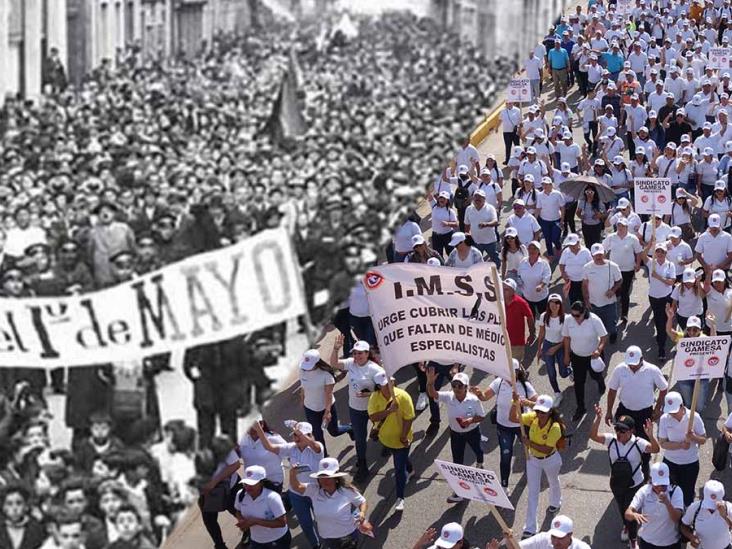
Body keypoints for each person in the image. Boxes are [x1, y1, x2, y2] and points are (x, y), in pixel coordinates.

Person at [589, 405, 660, 547]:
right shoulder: (611, 440)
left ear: (631, 431)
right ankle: (627, 525)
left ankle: (633, 539)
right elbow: (593, 436)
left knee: (630, 509)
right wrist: (598, 419)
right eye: (617, 429)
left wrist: (651, 435)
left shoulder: (639, 443)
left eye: (622, 430)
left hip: (635, 485)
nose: (618, 433)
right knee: (622, 508)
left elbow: (655, 449)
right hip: (617, 483)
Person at [252, 421, 323, 549]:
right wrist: (258, 430)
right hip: (297, 495)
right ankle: (316, 545)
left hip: (315, 492)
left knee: (322, 520)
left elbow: (314, 446)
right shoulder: (291, 448)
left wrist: (302, 434)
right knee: (306, 524)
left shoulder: (317, 448)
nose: (295, 439)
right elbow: (270, 448)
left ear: (309, 435)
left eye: (298, 436)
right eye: (294, 435)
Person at [605, 346, 668, 481]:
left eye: (634, 364)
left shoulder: (652, 370)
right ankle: (622, 468)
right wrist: (609, 411)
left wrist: (657, 409)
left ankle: (644, 469)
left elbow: (664, 388)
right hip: (625, 411)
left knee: (644, 444)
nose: (632, 367)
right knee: (621, 440)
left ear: (641, 359)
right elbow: (612, 390)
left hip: (644, 413)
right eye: (630, 364)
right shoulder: (620, 369)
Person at [472, 359, 537, 487]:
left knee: (530, 451)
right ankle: (504, 485)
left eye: (513, 371)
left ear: (518, 372)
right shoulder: (498, 382)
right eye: (507, 371)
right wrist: (479, 394)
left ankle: (533, 473)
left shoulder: (525, 386)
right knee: (505, 456)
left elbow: (539, 404)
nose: (509, 374)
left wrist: (526, 403)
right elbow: (485, 397)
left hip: (521, 426)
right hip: (503, 427)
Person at [330, 337, 384, 482]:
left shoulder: (375, 369)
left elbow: (388, 390)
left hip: (374, 408)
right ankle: (363, 464)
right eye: (355, 353)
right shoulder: (351, 364)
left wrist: (371, 394)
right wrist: (336, 349)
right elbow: (334, 364)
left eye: (360, 353)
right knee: (360, 439)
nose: (357, 356)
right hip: (355, 409)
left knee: (382, 430)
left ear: (367, 353)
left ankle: (386, 445)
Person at [509, 394, 564, 539]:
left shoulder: (555, 427)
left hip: (550, 459)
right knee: (533, 492)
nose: (540, 414)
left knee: (553, 481)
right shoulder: (533, 417)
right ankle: (530, 527)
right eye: (538, 411)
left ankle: (556, 502)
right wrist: (515, 404)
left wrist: (529, 444)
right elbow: (514, 418)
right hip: (533, 460)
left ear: (550, 411)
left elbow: (546, 449)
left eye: (543, 412)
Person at [426, 370, 485, 502]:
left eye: (460, 386)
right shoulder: (449, 396)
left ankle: (480, 462)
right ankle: (460, 492)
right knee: (458, 462)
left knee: (478, 451)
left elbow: (481, 416)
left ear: (466, 387)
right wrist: (430, 383)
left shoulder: (474, 400)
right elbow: (433, 394)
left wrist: (470, 421)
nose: (456, 389)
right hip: (456, 434)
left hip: (472, 432)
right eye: (454, 385)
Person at [288, 458, 372, 549]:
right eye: (321, 478)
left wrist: (362, 513)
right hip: (326, 538)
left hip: (347, 537)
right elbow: (296, 487)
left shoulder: (347, 491)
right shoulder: (314, 490)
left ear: (336, 478)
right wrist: (292, 474)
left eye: (328, 477)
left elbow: (362, 502)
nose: (324, 481)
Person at [367, 371, 415, 512]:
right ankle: (411, 470)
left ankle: (400, 498)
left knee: (399, 469)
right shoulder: (374, 398)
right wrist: (389, 411)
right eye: (385, 384)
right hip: (385, 439)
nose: (389, 386)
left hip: (402, 441)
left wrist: (404, 436)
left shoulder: (403, 396)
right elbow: (373, 417)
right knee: (402, 460)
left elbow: (409, 418)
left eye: (391, 382)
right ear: (378, 386)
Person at [657, 391, 707, 509]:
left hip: (690, 463)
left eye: (674, 411)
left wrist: (694, 437)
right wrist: (680, 445)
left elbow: (703, 439)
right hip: (670, 462)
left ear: (682, 406)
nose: (672, 414)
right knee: (670, 492)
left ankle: (686, 516)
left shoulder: (694, 417)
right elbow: (663, 443)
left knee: (687, 493)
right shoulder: (665, 419)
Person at [297, 349, 352, 454]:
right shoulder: (302, 370)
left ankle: (350, 428)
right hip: (310, 409)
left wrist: (327, 412)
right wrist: (302, 399)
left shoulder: (326, 375)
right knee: (318, 436)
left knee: (334, 432)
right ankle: (323, 458)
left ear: (317, 362)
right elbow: (303, 387)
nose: (306, 368)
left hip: (326, 408)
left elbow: (328, 394)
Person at [562, 300, 608, 421]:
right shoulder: (568, 320)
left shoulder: (594, 320)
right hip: (577, 357)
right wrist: (566, 355)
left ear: (584, 313)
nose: (575, 317)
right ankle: (581, 407)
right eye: (573, 314)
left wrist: (599, 350)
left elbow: (603, 337)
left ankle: (601, 382)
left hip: (593, 356)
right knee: (579, 383)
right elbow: (566, 338)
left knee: (595, 375)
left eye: (577, 315)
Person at [625, 462, 685, 549]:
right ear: (651, 480)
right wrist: (634, 515)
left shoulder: (676, 491)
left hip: (670, 543)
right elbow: (627, 514)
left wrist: (667, 503)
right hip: (647, 542)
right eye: (657, 485)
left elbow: (676, 518)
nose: (660, 487)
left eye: (663, 485)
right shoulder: (644, 491)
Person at [197, 435, 241, 549]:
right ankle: (220, 545)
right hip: (207, 492)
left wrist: (214, 482)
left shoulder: (220, 442)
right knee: (210, 520)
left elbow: (235, 464)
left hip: (230, 488)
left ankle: (250, 534)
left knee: (240, 514)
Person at [233, 465, 290, 549]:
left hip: (277, 541)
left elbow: (282, 523)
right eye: (246, 483)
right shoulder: (240, 495)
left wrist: (255, 521)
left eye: (252, 484)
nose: (248, 487)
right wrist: (241, 520)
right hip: (256, 541)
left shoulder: (272, 497)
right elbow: (237, 511)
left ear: (261, 482)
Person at [602, 218, 643, 323]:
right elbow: (603, 249)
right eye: (619, 225)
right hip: (614, 269)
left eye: (623, 226)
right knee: (615, 291)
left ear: (626, 227)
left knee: (625, 292)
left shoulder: (632, 238)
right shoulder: (611, 237)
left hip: (628, 269)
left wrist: (638, 264)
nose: (621, 228)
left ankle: (624, 314)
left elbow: (638, 252)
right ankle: (613, 314)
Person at [582, 243, 623, 343]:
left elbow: (620, 280)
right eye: (596, 254)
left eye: (600, 254)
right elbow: (584, 285)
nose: (598, 257)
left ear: (604, 253)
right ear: (591, 255)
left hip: (609, 303)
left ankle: (613, 335)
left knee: (611, 325)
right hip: (594, 303)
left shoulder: (613, 266)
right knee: (596, 325)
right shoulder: (587, 267)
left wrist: (613, 290)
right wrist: (586, 300)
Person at [644, 242, 677, 361]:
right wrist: (650, 244)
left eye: (662, 252)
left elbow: (671, 282)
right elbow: (643, 255)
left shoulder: (670, 265)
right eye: (658, 251)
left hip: (666, 297)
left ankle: (662, 345)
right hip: (653, 297)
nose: (660, 254)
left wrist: (658, 277)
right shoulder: (651, 263)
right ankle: (661, 341)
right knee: (659, 320)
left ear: (666, 253)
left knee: (665, 319)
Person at [536, 295, 571, 403]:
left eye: (557, 302)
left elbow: (567, 338)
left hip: (560, 345)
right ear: (548, 303)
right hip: (547, 345)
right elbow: (541, 334)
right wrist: (539, 349)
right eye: (552, 302)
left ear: (560, 305)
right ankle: (557, 393)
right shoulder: (544, 316)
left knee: (563, 374)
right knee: (551, 373)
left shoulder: (566, 318)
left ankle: (570, 371)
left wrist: (557, 348)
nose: (554, 305)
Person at [680, 480, 732, 549]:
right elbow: (683, 526)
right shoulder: (694, 508)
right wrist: (691, 537)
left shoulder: (728, 507)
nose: (711, 509)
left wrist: (725, 516)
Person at [487, 515, 590, 549]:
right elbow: (516, 548)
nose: (556, 542)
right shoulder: (543, 538)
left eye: (561, 538)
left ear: (570, 535)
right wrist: (509, 538)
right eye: (554, 537)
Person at [503, 279, 536, 362]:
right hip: (501, 341)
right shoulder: (499, 303)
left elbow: (530, 317)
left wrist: (532, 333)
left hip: (516, 342)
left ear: (513, 291)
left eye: (506, 289)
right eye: (502, 288)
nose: (503, 291)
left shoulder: (521, 303)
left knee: (515, 365)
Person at [464, 190, 500, 265]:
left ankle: (497, 273)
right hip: (476, 241)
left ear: (484, 199)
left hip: (490, 241)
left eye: (480, 197)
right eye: (475, 196)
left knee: (495, 260)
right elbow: (467, 224)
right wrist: (467, 235)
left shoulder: (490, 208)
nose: (477, 199)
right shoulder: (469, 209)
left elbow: (495, 222)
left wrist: (486, 224)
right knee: (476, 262)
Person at [518, 241, 552, 318]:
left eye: (534, 249)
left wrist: (541, 285)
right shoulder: (523, 262)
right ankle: (532, 329)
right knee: (530, 316)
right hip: (527, 296)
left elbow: (547, 276)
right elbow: (519, 275)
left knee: (544, 316)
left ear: (538, 251)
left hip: (541, 297)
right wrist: (519, 283)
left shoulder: (544, 263)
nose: (532, 251)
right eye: (530, 248)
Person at [535, 177, 565, 259]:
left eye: (546, 184)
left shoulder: (557, 194)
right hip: (544, 221)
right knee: (547, 239)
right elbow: (538, 208)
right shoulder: (540, 195)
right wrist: (535, 219)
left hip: (556, 220)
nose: (544, 186)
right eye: (543, 184)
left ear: (551, 185)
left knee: (555, 238)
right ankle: (550, 255)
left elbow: (562, 207)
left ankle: (558, 248)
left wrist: (562, 220)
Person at [559, 234, 592, 306]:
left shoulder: (586, 252)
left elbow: (591, 265)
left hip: (583, 281)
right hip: (571, 281)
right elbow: (561, 264)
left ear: (578, 242)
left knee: (584, 298)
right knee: (573, 299)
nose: (571, 247)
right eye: (570, 245)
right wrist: (563, 274)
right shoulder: (566, 252)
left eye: (573, 245)